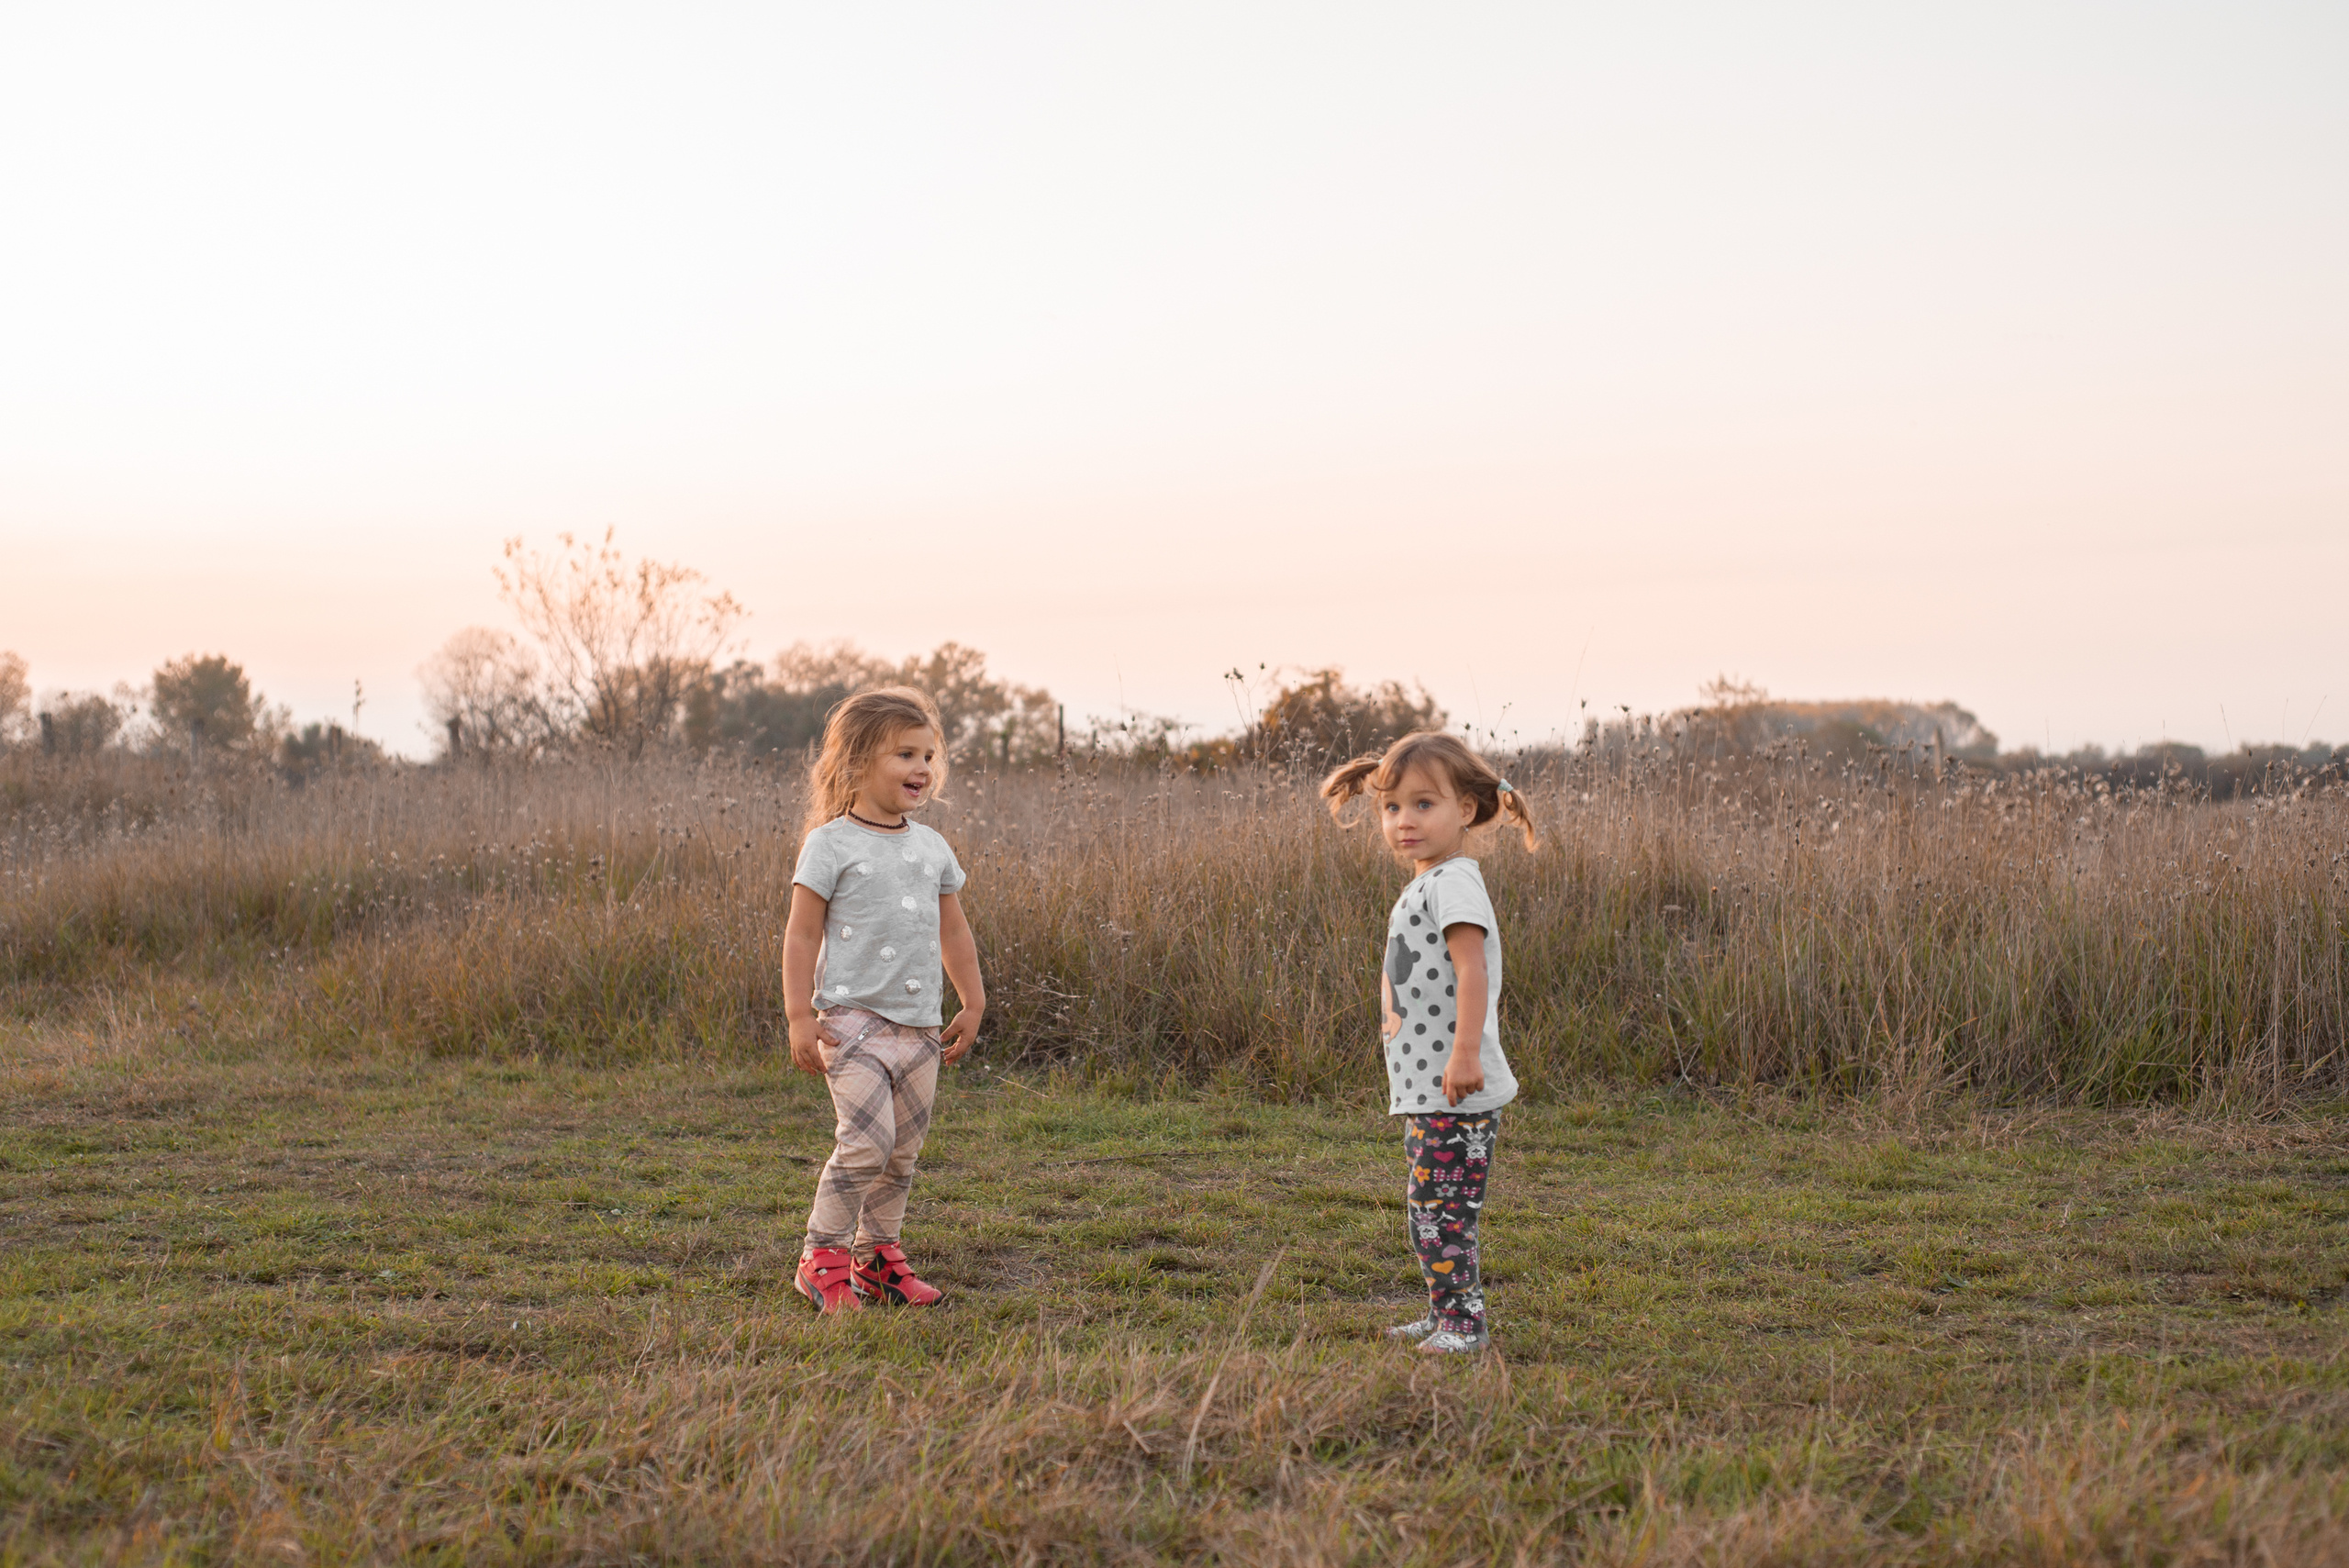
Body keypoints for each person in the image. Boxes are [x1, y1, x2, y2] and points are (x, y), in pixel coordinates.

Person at [1321, 732, 1539, 1355]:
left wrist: (1464, 1053)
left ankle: (1463, 1327)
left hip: (1456, 1085)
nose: (1404, 821)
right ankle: (1445, 1311)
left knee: (1441, 1211)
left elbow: (1473, 971)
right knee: (1430, 1206)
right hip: (1433, 1085)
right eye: (1392, 807)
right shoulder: (1432, 881)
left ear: (1465, 810)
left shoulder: (1454, 883)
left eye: (1423, 804)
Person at [783, 686, 984, 1313]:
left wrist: (973, 1001)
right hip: (852, 1025)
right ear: (857, 760)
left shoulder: (932, 846)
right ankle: (822, 1256)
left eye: (928, 756)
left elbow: (954, 930)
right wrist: (798, 1014)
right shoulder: (830, 844)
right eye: (905, 754)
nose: (922, 768)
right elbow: (801, 933)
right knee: (866, 1143)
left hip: (920, 1029)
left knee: (900, 1153)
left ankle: (876, 1260)